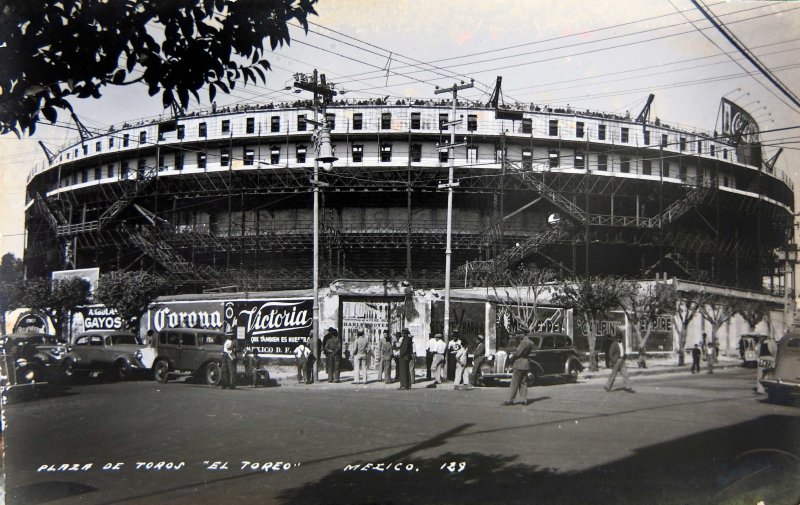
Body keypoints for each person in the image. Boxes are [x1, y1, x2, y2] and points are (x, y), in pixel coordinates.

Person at [504, 332, 534, 405]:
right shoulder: (530, 343)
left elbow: (518, 353)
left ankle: (510, 400)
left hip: (519, 363)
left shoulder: (523, 342)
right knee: (523, 382)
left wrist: (512, 359)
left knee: (514, 383)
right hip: (525, 364)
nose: (519, 335)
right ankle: (524, 399)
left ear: (524, 334)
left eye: (520, 333)